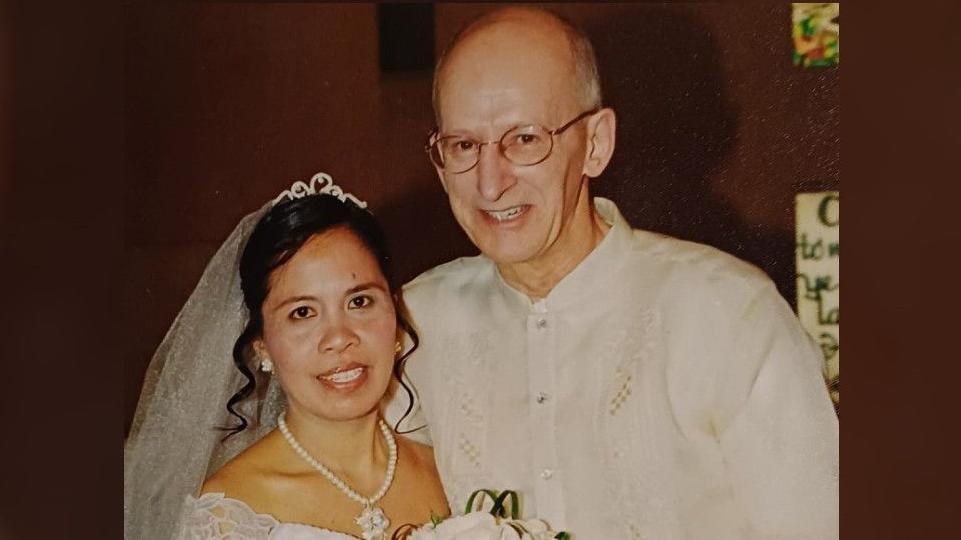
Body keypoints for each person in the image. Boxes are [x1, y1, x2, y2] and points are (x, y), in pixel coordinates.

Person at [396, 7, 839, 539]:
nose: (490, 184)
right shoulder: (410, 327)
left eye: (525, 139)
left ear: (596, 143)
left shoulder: (728, 312)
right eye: (464, 146)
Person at [124, 176, 448, 540]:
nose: (339, 338)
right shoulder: (228, 514)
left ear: (395, 312)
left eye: (359, 301)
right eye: (303, 312)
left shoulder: (451, 473)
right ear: (262, 344)